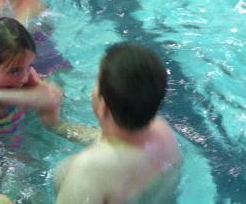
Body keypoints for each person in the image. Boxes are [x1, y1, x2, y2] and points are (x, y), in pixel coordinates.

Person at [53, 43, 182, 204]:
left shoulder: (89, 171)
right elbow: (114, 144)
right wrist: (58, 126)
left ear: (103, 107)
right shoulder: (163, 131)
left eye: (96, 83)